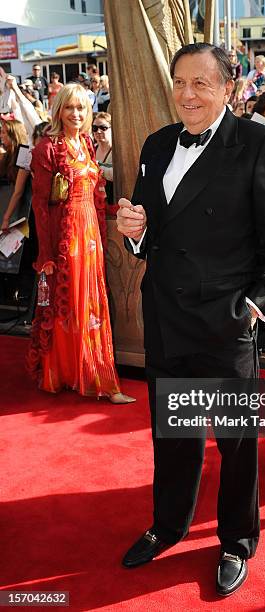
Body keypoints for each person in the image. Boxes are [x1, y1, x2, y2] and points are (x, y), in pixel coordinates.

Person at [116, 43, 265, 596]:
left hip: (226, 319)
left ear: (228, 88)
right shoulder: (156, 144)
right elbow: (153, 234)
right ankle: (168, 524)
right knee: (173, 434)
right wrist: (134, 229)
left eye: (201, 83)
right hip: (167, 314)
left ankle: (237, 541)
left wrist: (254, 308)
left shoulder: (257, 141)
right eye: (179, 82)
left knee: (235, 440)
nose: (187, 95)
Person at [27, 83, 135, 405]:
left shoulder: (87, 143)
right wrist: (46, 254)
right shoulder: (46, 149)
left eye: (82, 108)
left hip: (91, 235)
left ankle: (91, 374)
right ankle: (63, 373)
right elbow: (40, 207)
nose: (76, 114)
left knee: (91, 305)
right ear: (59, 110)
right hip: (67, 236)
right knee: (69, 305)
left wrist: (118, 209)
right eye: (70, 108)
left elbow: (96, 194)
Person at [93, 111, 114, 205]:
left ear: (111, 129)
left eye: (103, 128)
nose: (98, 131)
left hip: (112, 201)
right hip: (95, 202)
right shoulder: (91, 150)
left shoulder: (117, 152)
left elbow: (115, 174)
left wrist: (94, 166)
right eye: (95, 128)